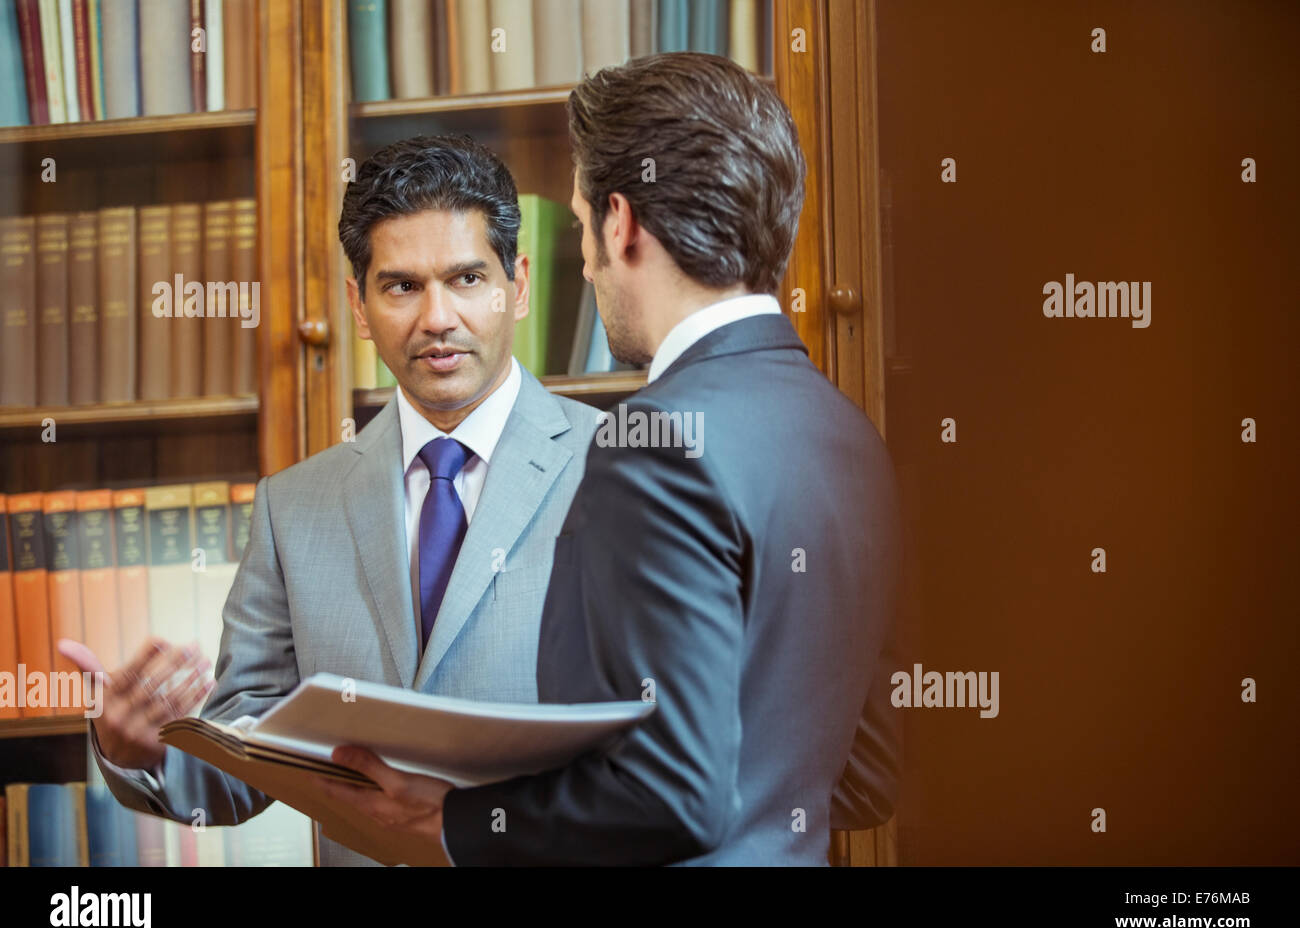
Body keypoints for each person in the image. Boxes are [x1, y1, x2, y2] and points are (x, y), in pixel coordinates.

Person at [321, 52, 903, 866]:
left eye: (582, 226)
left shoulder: (652, 444)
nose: (587, 263)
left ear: (621, 223)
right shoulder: (847, 434)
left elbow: (671, 796)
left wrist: (448, 823)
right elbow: (869, 773)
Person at [62, 134, 603, 866]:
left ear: (520, 284)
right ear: (358, 302)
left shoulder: (618, 469)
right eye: (402, 286)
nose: (437, 317)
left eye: (468, 279)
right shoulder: (293, 510)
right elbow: (241, 765)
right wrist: (138, 750)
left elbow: (672, 747)